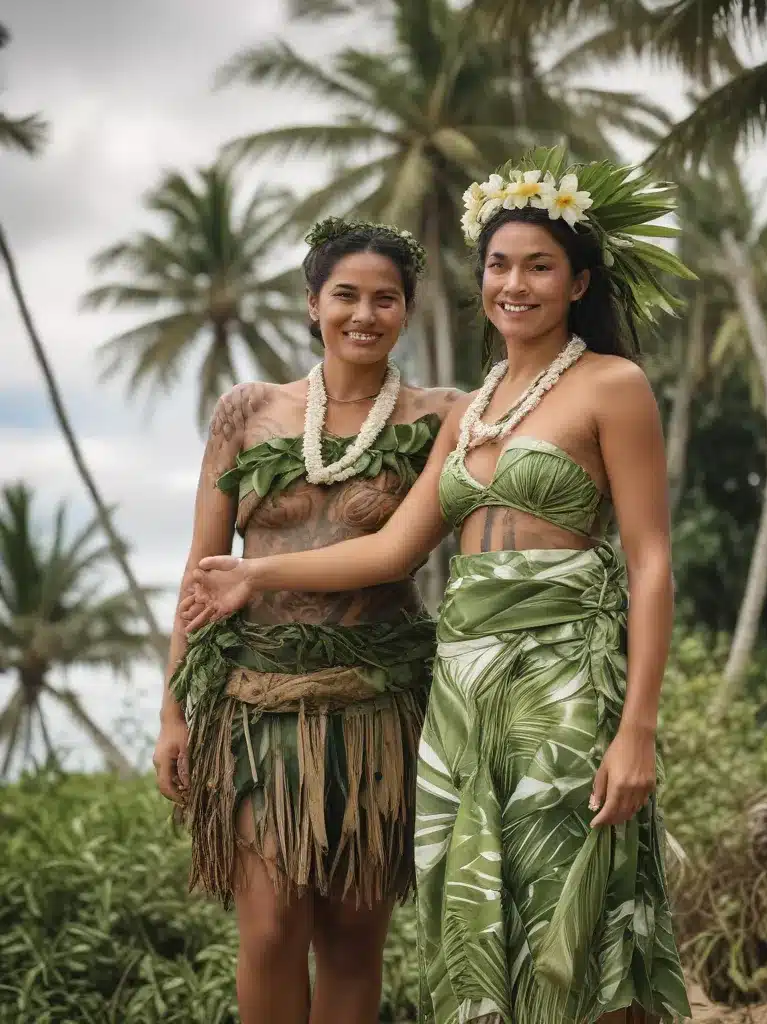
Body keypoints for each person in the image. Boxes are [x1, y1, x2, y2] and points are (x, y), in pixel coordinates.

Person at [181, 149, 694, 1023]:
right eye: (499, 265)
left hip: (562, 673)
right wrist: (258, 572)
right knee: (482, 915)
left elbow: (650, 563)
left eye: (539, 266)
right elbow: (389, 551)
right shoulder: (473, 408)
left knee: (574, 906)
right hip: (460, 680)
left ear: (578, 283)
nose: (514, 285)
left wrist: (637, 729)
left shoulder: (613, 385)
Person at [153, 218, 461, 1024]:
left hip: (377, 702)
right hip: (257, 706)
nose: (365, 315)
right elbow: (203, 567)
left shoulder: (441, 418)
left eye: (385, 299)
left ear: (408, 309)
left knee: (356, 935)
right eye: (346, 295)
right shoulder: (247, 412)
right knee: (269, 926)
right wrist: (173, 711)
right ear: (311, 304)